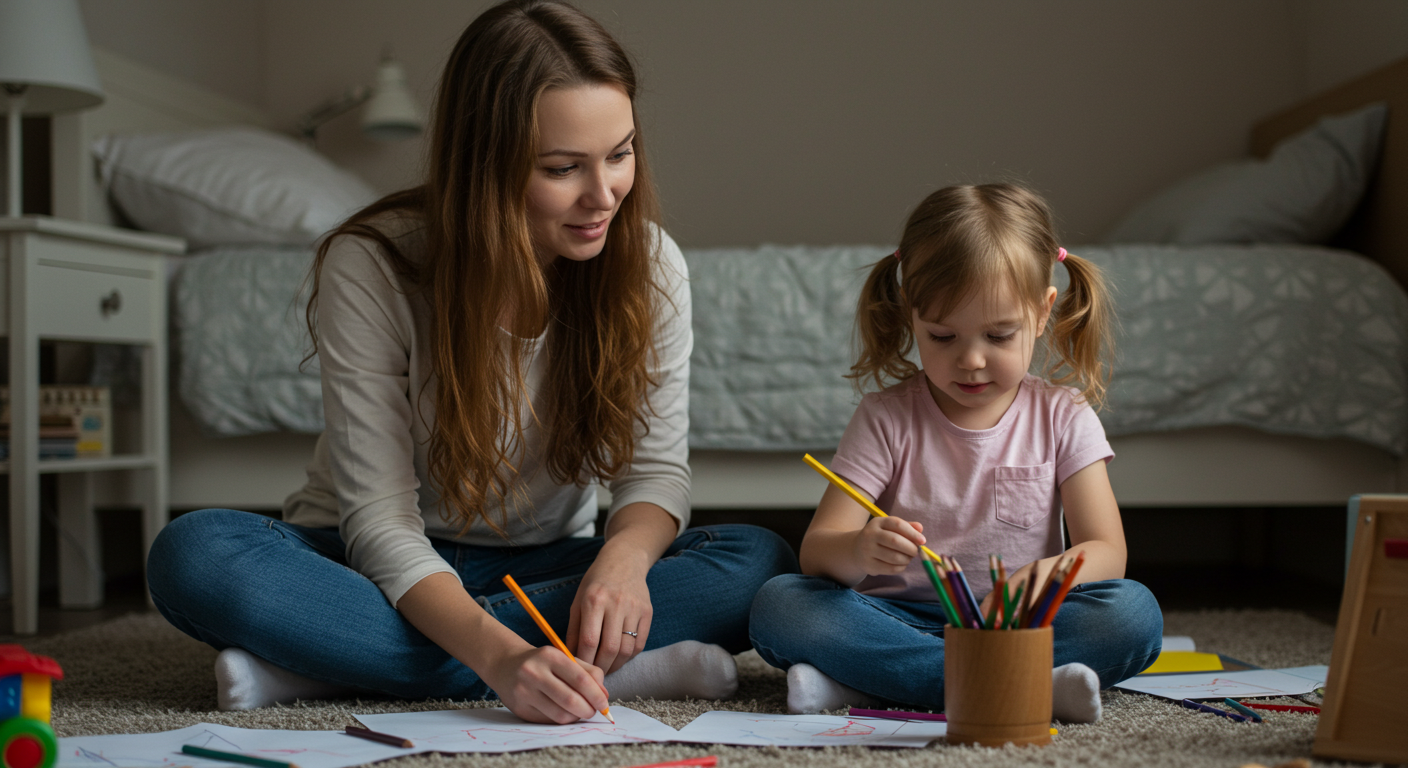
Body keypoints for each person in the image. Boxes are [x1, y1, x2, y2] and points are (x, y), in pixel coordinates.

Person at [148, 0, 796, 719]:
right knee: (194, 555)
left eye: (621, 153)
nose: (604, 194)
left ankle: (336, 664)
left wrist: (622, 563)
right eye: (562, 168)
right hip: (365, 559)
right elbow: (382, 523)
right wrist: (500, 657)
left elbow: (655, 474)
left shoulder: (649, 266)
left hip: (548, 561)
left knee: (757, 563)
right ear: (483, 165)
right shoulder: (374, 262)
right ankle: (595, 667)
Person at [748, 183, 1161, 720]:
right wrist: (859, 550)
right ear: (910, 316)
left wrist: (1030, 586)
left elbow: (1107, 551)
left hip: (1020, 627)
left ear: (1041, 314)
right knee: (781, 603)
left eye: (998, 335)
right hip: (895, 619)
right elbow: (817, 550)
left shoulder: (1063, 415)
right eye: (942, 336)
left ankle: (876, 685)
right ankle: (1016, 687)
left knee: (1132, 613)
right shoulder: (885, 417)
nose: (970, 359)